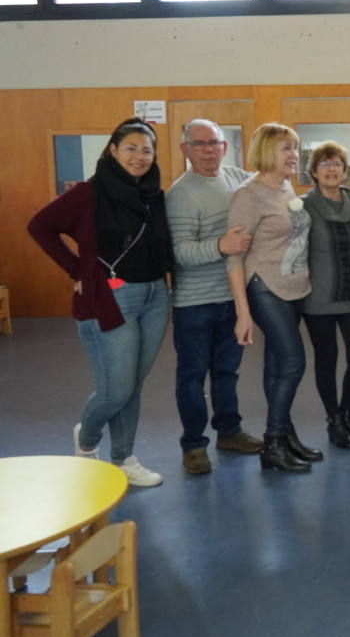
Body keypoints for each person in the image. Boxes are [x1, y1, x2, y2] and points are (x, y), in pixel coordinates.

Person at [28, 118, 173, 487]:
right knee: (116, 390)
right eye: (131, 148)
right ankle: (88, 438)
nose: (139, 157)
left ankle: (123, 459)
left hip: (155, 295)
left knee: (133, 386)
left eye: (147, 150)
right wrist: (77, 269)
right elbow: (40, 226)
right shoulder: (89, 193)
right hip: (109, 297)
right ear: (113, 149)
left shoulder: (153, 194)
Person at [165, 119, 261, 477]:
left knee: (226, 372)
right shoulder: (180, 194)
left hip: (234, 298)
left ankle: (230, 432)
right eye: (199, 144)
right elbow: (179, 253)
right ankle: (193, 445)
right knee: (192, 376)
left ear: (225, 146)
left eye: (214, 143)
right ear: (185, 149)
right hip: (194, 303)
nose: (208, 150)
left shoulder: (239, 179)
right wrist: (222, 245)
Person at [227, 122, 318, 474]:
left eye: (294, 147)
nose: (294, 155)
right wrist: (243, 313)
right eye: (286, 148)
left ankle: (286, 436)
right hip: (264, 286)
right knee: (293, 363)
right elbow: (234, 258)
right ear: (267, 152)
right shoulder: (248, 195)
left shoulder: (284, 186)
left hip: (294, 286)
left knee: (277, 365)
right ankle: (274, 442)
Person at [302, 141, 350, 449]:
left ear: (345, 171)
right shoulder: (303, 206)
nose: (331, 169)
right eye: (324, 164)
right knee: (326, 359)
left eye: (336, 164)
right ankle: (333, 420)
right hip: (317, 297)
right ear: (313, 172)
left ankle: (346, 414)